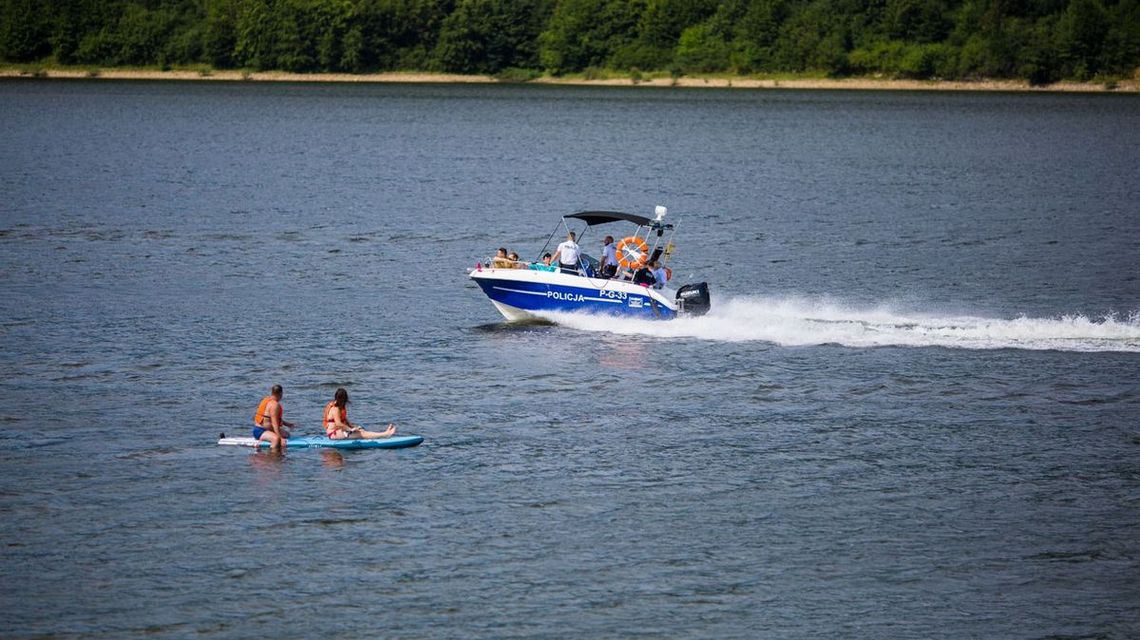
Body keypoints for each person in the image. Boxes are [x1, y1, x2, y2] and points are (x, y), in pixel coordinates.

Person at [323, 388, 395, 440]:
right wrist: (350, 430)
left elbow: (345, 421)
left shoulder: (339, 407)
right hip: (333, 434)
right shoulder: (335, 409)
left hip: (340, 431)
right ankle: (385, 434)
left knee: (361, 431)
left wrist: (354, 427)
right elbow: (338, 424)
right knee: (361, 434)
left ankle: (385, 433)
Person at [253, 384, 294, 450]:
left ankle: (267, 438)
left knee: (287, 435)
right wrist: (280, 438)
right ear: (280, 394)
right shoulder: (275, 405)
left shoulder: (266, 400)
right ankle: (272, 457)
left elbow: (273, 418)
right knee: (276, 439)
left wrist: (287, 424)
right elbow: (275, 424)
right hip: (260, 431)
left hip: (267, 429)